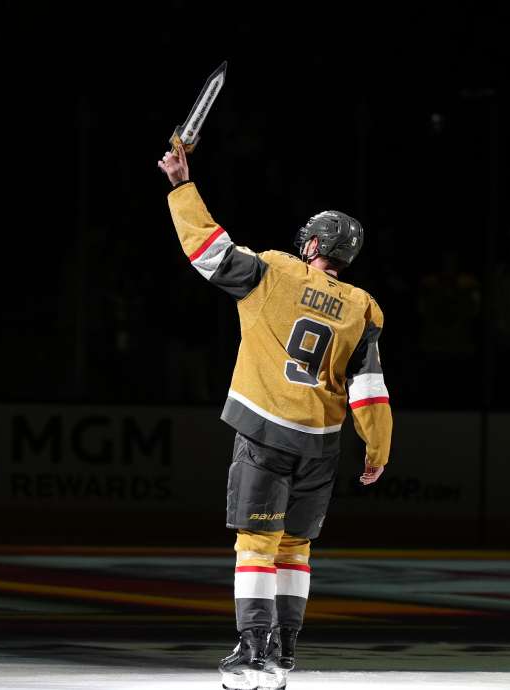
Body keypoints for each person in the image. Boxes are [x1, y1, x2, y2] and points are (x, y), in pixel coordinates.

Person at [158, 144, 393, 690]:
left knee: (256, 546)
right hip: (322, 443)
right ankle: (284, 652)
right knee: (296, 548)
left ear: (312, 245)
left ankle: (250, 655)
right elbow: (370, 390)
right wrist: (377, 449)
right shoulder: (362, 308)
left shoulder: (275, 272)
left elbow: (207, 249)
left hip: (266, 431)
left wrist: (180, 186)